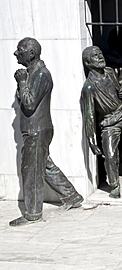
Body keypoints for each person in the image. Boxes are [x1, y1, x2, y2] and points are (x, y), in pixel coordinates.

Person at [10, 37, 83, 226]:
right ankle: (71, 196)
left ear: (32, 53)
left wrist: (22, 82)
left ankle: (32, 214)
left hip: (37, 129)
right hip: (35, 129)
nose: (16, 53)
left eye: (20, 49)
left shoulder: (41, 74)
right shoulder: (32, 73)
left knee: (31, 170)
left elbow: (29, 104)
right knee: (44, 165)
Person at [81, 46, 122, 199]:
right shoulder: (89, 87)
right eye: (95, 56)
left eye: (100, 54)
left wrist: (121, 93)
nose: (100, 57)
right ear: (88, 63)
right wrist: (91, 140)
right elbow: (89, 115)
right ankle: (114, 185)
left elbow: (118, 91)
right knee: (110, 154)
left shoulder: (110, 72)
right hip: (109, 121)